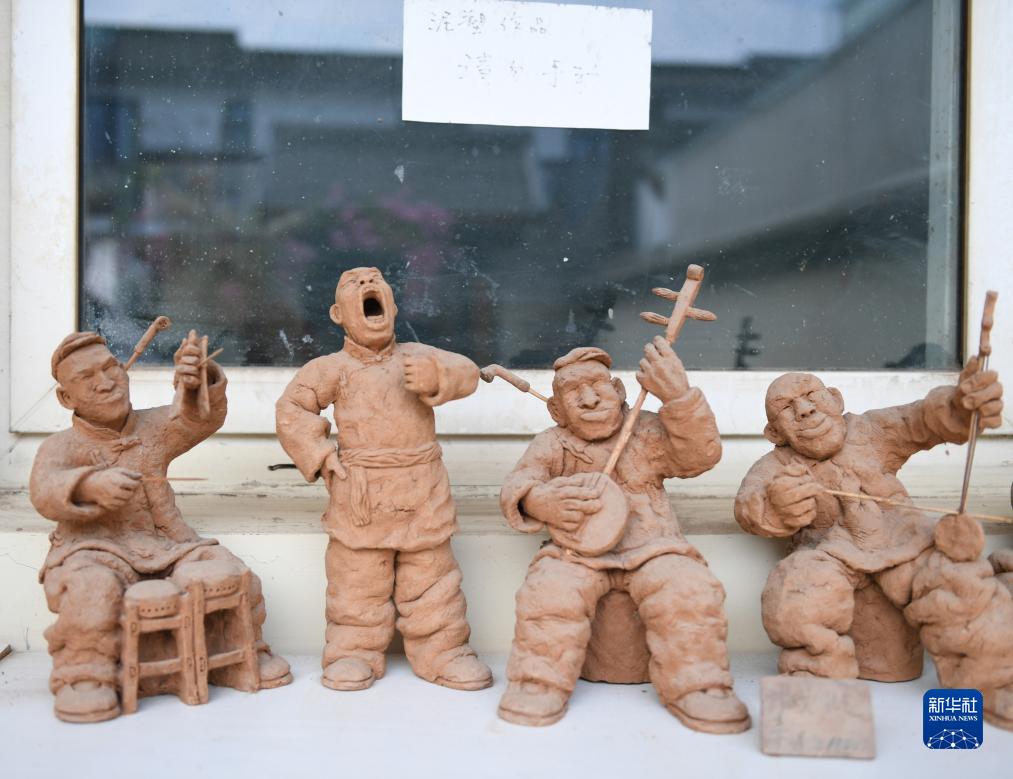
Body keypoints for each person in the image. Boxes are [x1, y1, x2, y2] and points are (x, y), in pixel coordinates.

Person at [30, 330, 291, 723]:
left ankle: (237, 655)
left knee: (230, 572)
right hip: (92, 550)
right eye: (87, 378)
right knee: (91, 591)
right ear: (67, 398)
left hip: (169, 545)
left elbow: (196, 419)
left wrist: (195, 382)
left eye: (110, 368)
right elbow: (44, 490)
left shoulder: (153, 425)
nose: (106, 383)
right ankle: (86, 675)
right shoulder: (61, 446)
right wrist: (87, 485)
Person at [735, 364, 1013, 729]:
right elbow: (749, 506)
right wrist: (776, 503)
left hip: (904, 541)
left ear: (835, 399)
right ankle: (815, 687)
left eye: (812, 395)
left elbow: (921, 419)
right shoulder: (776, 465)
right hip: (831, 554)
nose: (804, 409)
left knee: (961, 589)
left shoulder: (871, 430)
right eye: (786, 407)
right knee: (795, 588)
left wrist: (960, 405)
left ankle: (993, 680)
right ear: (775, 432)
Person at [497, 339, 749, 733]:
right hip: (577, 553)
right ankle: (538, 681)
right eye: (573, 392)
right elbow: (520, 482)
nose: (589, 398)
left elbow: (700, 455)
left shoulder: (646, 428)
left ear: (618, 391)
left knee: (688, 591)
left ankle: (700, 684)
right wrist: (538, 500)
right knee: (549, 592)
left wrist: (678, 398)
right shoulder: (552, 442)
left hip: (654, 547)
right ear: (556, 410)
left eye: (598, 385)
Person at [275, 267, 491, 692]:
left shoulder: (417, 356)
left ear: (391, 306)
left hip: (421, 488)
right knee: (357, 580)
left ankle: (444, 650)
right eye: (353, 284)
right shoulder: (330, 368)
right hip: (361, 492)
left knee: (433, 579)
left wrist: (439, 377)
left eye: (375, 280)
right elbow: (292, 410)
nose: (367, 285)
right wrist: (320, 454)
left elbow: (467, 370)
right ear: (338, 314)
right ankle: (352, 651)